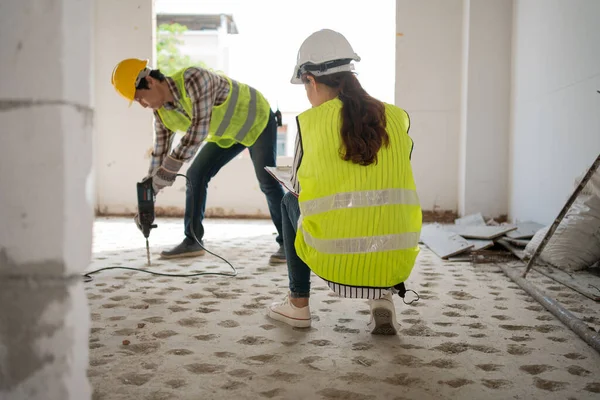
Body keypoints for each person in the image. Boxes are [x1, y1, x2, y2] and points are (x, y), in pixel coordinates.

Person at [266, 29, 422, 335]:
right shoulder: (396, 116)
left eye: (305, 87)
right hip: (396, 257)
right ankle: (382, 298)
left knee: (288, 200)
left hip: (335, 257)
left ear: (310, 79)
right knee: (380, 212)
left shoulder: (311, 123)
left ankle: (298, 305)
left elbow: (298, 188)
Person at [111, 59, 286, 264]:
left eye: (141, 98)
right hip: (227, 135)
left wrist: (167, 172)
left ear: (149, 81)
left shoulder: (193, 78)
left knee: (267, 181)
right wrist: (147, 199)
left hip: (257, 120)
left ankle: (289, 244)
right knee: (195, 175)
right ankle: (192, 241)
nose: (143, 105)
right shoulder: (161, 114)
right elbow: (159, 156)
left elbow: (198, 130)